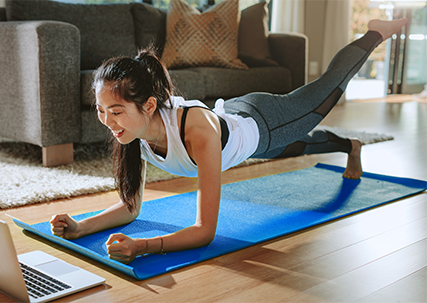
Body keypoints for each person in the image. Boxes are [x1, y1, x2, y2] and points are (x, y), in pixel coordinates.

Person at [51, 18, 408, 264]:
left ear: (147, 105)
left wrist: (144, 246)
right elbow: (131, 207)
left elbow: (205, 231)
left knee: (325, 92)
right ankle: (351, 147)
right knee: (302, 145)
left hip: (265, 121)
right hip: (244, 130)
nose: (107, 121)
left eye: (114, 111)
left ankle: (374, 33)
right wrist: (82, 226)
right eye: (100, 110)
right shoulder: (130, 129)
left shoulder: (195, 131)